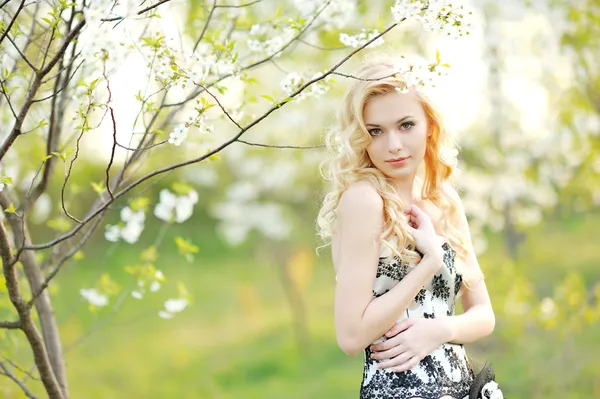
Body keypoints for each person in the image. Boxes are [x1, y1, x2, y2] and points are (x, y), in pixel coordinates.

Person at [316, 57, 502, 399]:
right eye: (375, 131)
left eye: (405, 125)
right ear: (361, 137)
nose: (393, 146)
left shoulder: (445, 201)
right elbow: (351, 336)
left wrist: (439, 329)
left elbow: (484, 315)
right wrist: (427, 265)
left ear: (429, 125)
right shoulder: (364, 201)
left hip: (462, 388)